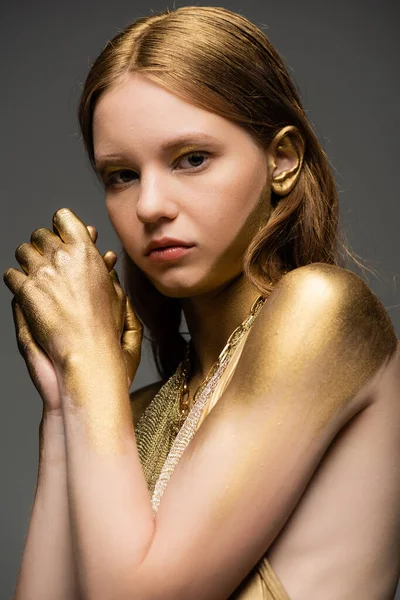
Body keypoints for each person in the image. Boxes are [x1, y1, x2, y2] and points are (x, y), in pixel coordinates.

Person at [4, 6, 399, 600]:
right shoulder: (127, 414)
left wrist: (88, 362)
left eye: (191, 159)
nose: (150, 206)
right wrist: (65, 405)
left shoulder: (321, 310)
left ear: (282, 160)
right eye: (121, 175)